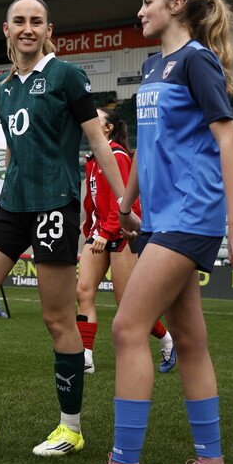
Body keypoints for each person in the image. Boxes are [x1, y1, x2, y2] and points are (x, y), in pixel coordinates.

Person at [0, 0, 127, 457]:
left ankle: (70, 428)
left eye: (36, 21)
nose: (28, 28)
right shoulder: (6, 85)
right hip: (11, 208)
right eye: (19, 21)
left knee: (57, 318)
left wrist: (123, 203)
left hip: (54, 205)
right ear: (7, 29)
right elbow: (12, 150)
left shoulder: (65, 75)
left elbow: (96, 139)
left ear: (48, 29)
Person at [75, 0, 233, 464]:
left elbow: (228, 142)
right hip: (157, 219)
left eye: (147, 1)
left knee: (127, 328)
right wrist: (127, 207)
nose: (140, 10)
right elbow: (148, 151)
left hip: (191, 215)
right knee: (191, 341)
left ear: (177, 5)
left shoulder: (198, 60)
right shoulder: (155, 65)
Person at [76, 107, 175, 375]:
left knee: (127, 303)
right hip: (98, 232)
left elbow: (122, 202)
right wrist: (91, 231)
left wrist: (105, 233)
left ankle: (167, 339)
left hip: (119, 233)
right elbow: (93, 202)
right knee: (83, 291)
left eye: (96, 118)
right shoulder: (93, 158)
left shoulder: (117, 155)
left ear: (107, 128)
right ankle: (85, 358)